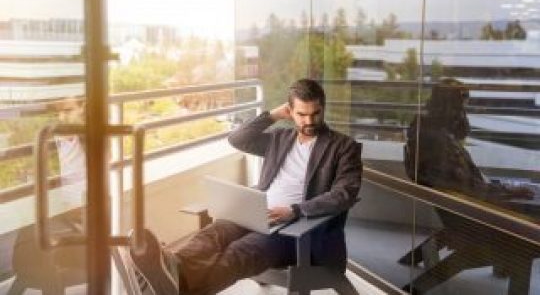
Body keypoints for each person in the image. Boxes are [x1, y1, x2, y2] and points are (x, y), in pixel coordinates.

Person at [130, 78, 362, 295]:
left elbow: (344, 194)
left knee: (239, 253)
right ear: (290, 112)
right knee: (213, 234)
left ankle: (173, 285)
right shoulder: (280, 139)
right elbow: (238, 139)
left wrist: (295, 210)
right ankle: (172, 266)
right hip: (258, 213)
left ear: (323, 109)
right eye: (301, 114)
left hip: (297, 228)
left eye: (316, 114)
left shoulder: (343, 147)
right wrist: (272, 115)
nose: (309, 122)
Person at [404, 78, 532, 204]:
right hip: (468, 208)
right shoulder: (436, 142)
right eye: (460, 107)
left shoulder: (427, 130)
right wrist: (509, 191)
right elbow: (471, 189)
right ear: (449, 108)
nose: (463, 114)